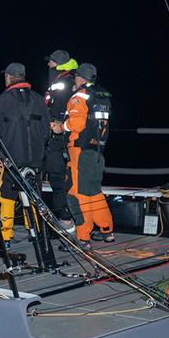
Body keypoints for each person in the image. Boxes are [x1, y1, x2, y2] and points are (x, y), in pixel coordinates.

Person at [0, 62, 50, 245]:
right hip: (36, 160)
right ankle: (36, 233)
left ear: (9, 77)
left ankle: (4, 236)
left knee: (6, 196)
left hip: (11, 160)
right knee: (33, 195)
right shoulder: (39, 99)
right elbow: (46, 131)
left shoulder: (2, 100)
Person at [63, 63, 114, 247]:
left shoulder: (79, 96)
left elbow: (76, 124)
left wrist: (61, 127)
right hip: (98, 151)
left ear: (81, 79)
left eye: (76, 77)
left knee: (78, 193)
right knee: (94, 191)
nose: (74, 80)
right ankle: (106, 229)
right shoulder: (103, 96)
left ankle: (83, 236)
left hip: (81, 150)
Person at [43, 49, 78, 226]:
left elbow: (60, 107)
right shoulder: (59, 79)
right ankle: (59, 218)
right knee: (54, 176)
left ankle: (64, 220)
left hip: (60, 136)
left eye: (51, 62)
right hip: (53, 134)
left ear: (58, 63)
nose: (48, 64)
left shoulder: (65, 81)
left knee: (59, 178)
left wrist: (59, 125)